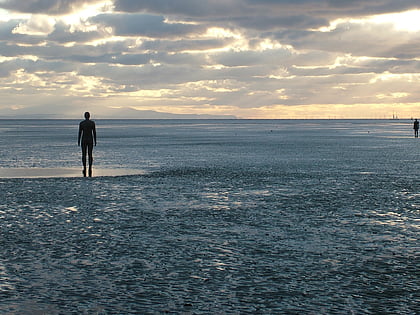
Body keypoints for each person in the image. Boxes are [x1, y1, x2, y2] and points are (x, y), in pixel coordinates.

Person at [78, 112, 96, 177]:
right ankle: (90, 167)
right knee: (90, 154)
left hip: (84, 140)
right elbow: (94, 133)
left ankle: (85, 167)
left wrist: (78, 141)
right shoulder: (92, 123)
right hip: (90, 140)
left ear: (84, 116)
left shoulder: (82, 123)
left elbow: (80, 132)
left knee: (84, 154)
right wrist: (95, 141)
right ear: (89, 116)